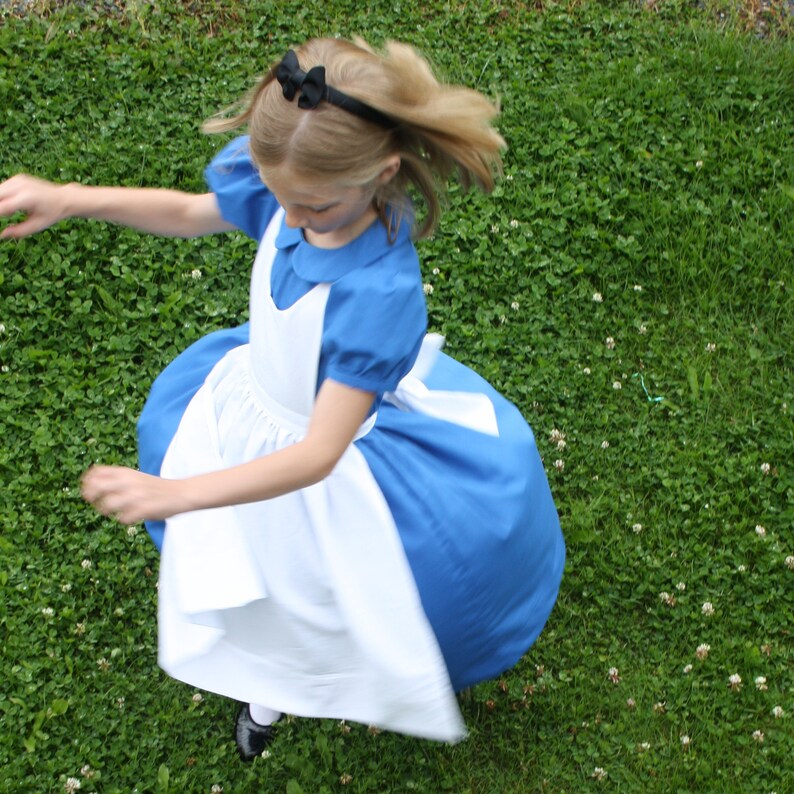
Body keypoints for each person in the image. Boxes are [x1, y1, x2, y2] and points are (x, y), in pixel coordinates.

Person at [0, 37, 565, 760]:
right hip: (252, 409)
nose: (289, 220)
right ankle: (267, 684)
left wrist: (180, 495)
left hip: (320, 467)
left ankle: (276, 692)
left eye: (313, 206)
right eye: (279, 199)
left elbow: (318, 455)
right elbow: (187, 212)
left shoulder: (377, 296)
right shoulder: (295, 190)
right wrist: (70, 199)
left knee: (314, 591)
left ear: (381, 173)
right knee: (260, 586)